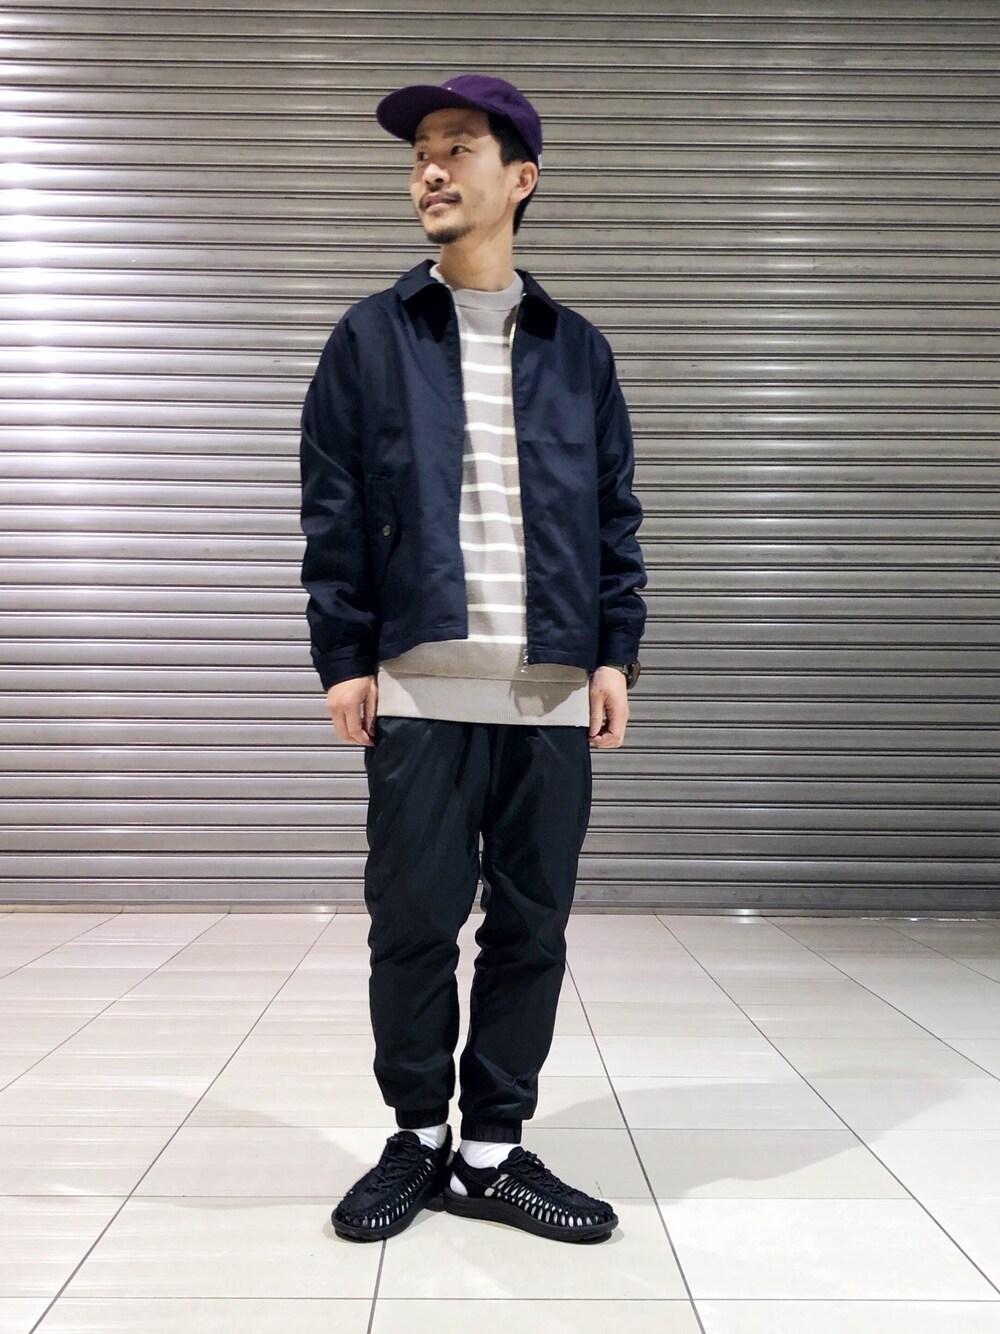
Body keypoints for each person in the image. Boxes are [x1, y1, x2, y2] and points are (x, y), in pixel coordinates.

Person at [298, 73, 647, 1245]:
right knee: (412, 922)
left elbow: (613, 516)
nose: (430, 170)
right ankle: (416, 1134)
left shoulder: (577, 350)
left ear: (521, 178)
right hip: (418, 681)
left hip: (547, 683)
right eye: (419, 155)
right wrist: (343, 657)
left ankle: (492, 1149)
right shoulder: (370, 337)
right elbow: (331, 512)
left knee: (530, 927)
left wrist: (615, 653)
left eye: (457, 147)